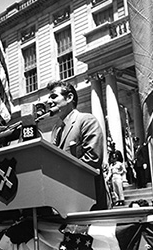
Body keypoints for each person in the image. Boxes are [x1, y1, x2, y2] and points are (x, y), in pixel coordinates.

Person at [46, 80, 108, 210]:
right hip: (63, 201)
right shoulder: (56, 129)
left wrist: (59, 174)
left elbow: (93, 159)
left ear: (69, 97)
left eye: (53, 96)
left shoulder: (86, 120)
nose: (48, 102)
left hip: (88, 199)